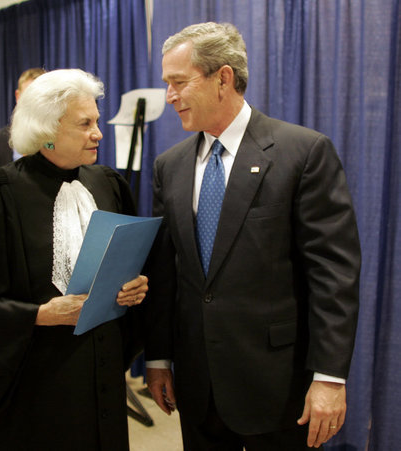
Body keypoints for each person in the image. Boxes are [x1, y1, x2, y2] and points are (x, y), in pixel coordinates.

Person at [144, 22, 361, 450]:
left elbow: (333, 276)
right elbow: (166, 272)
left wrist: (330, 378)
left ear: (223, 78)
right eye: (167, 84)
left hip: (278, 385)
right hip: (198, 384)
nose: (169, 96)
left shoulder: (303, 152)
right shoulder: (169, 166)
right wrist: (157, 357)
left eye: (178, 82)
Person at [0, 69, 148, 450]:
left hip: (101, 370)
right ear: (46, 129)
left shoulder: (107, 183)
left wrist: (134, 287)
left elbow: (126, 266)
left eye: (96, 121)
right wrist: (40, 314)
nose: (98, 133)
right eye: (85, 124)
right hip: (35, 380)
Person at [0, 67, 46, 166]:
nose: (32, 102)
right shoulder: (0, 138)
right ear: (18, 96)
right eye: (28, 95)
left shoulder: (56, 139)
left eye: (38, 96)